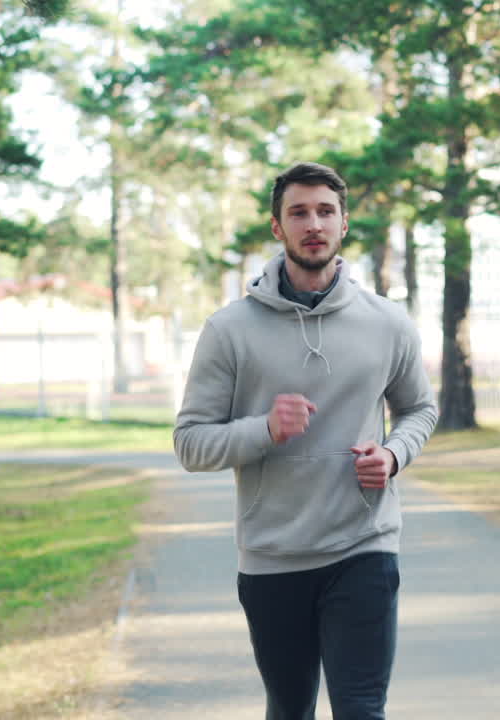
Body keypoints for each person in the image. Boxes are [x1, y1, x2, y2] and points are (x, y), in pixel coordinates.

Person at [173, 161, 438, 720]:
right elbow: (191, 442)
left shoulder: (388, 323)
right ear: (278, 228)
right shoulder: (230, 330)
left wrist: (393, 455)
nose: (313, 223)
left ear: (343, 224)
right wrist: (264, 430)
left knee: (361, 709)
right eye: (298, 212)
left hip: (364, 544)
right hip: (273, 556)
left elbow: (419, 408)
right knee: (290, 708)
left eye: (325, 211)